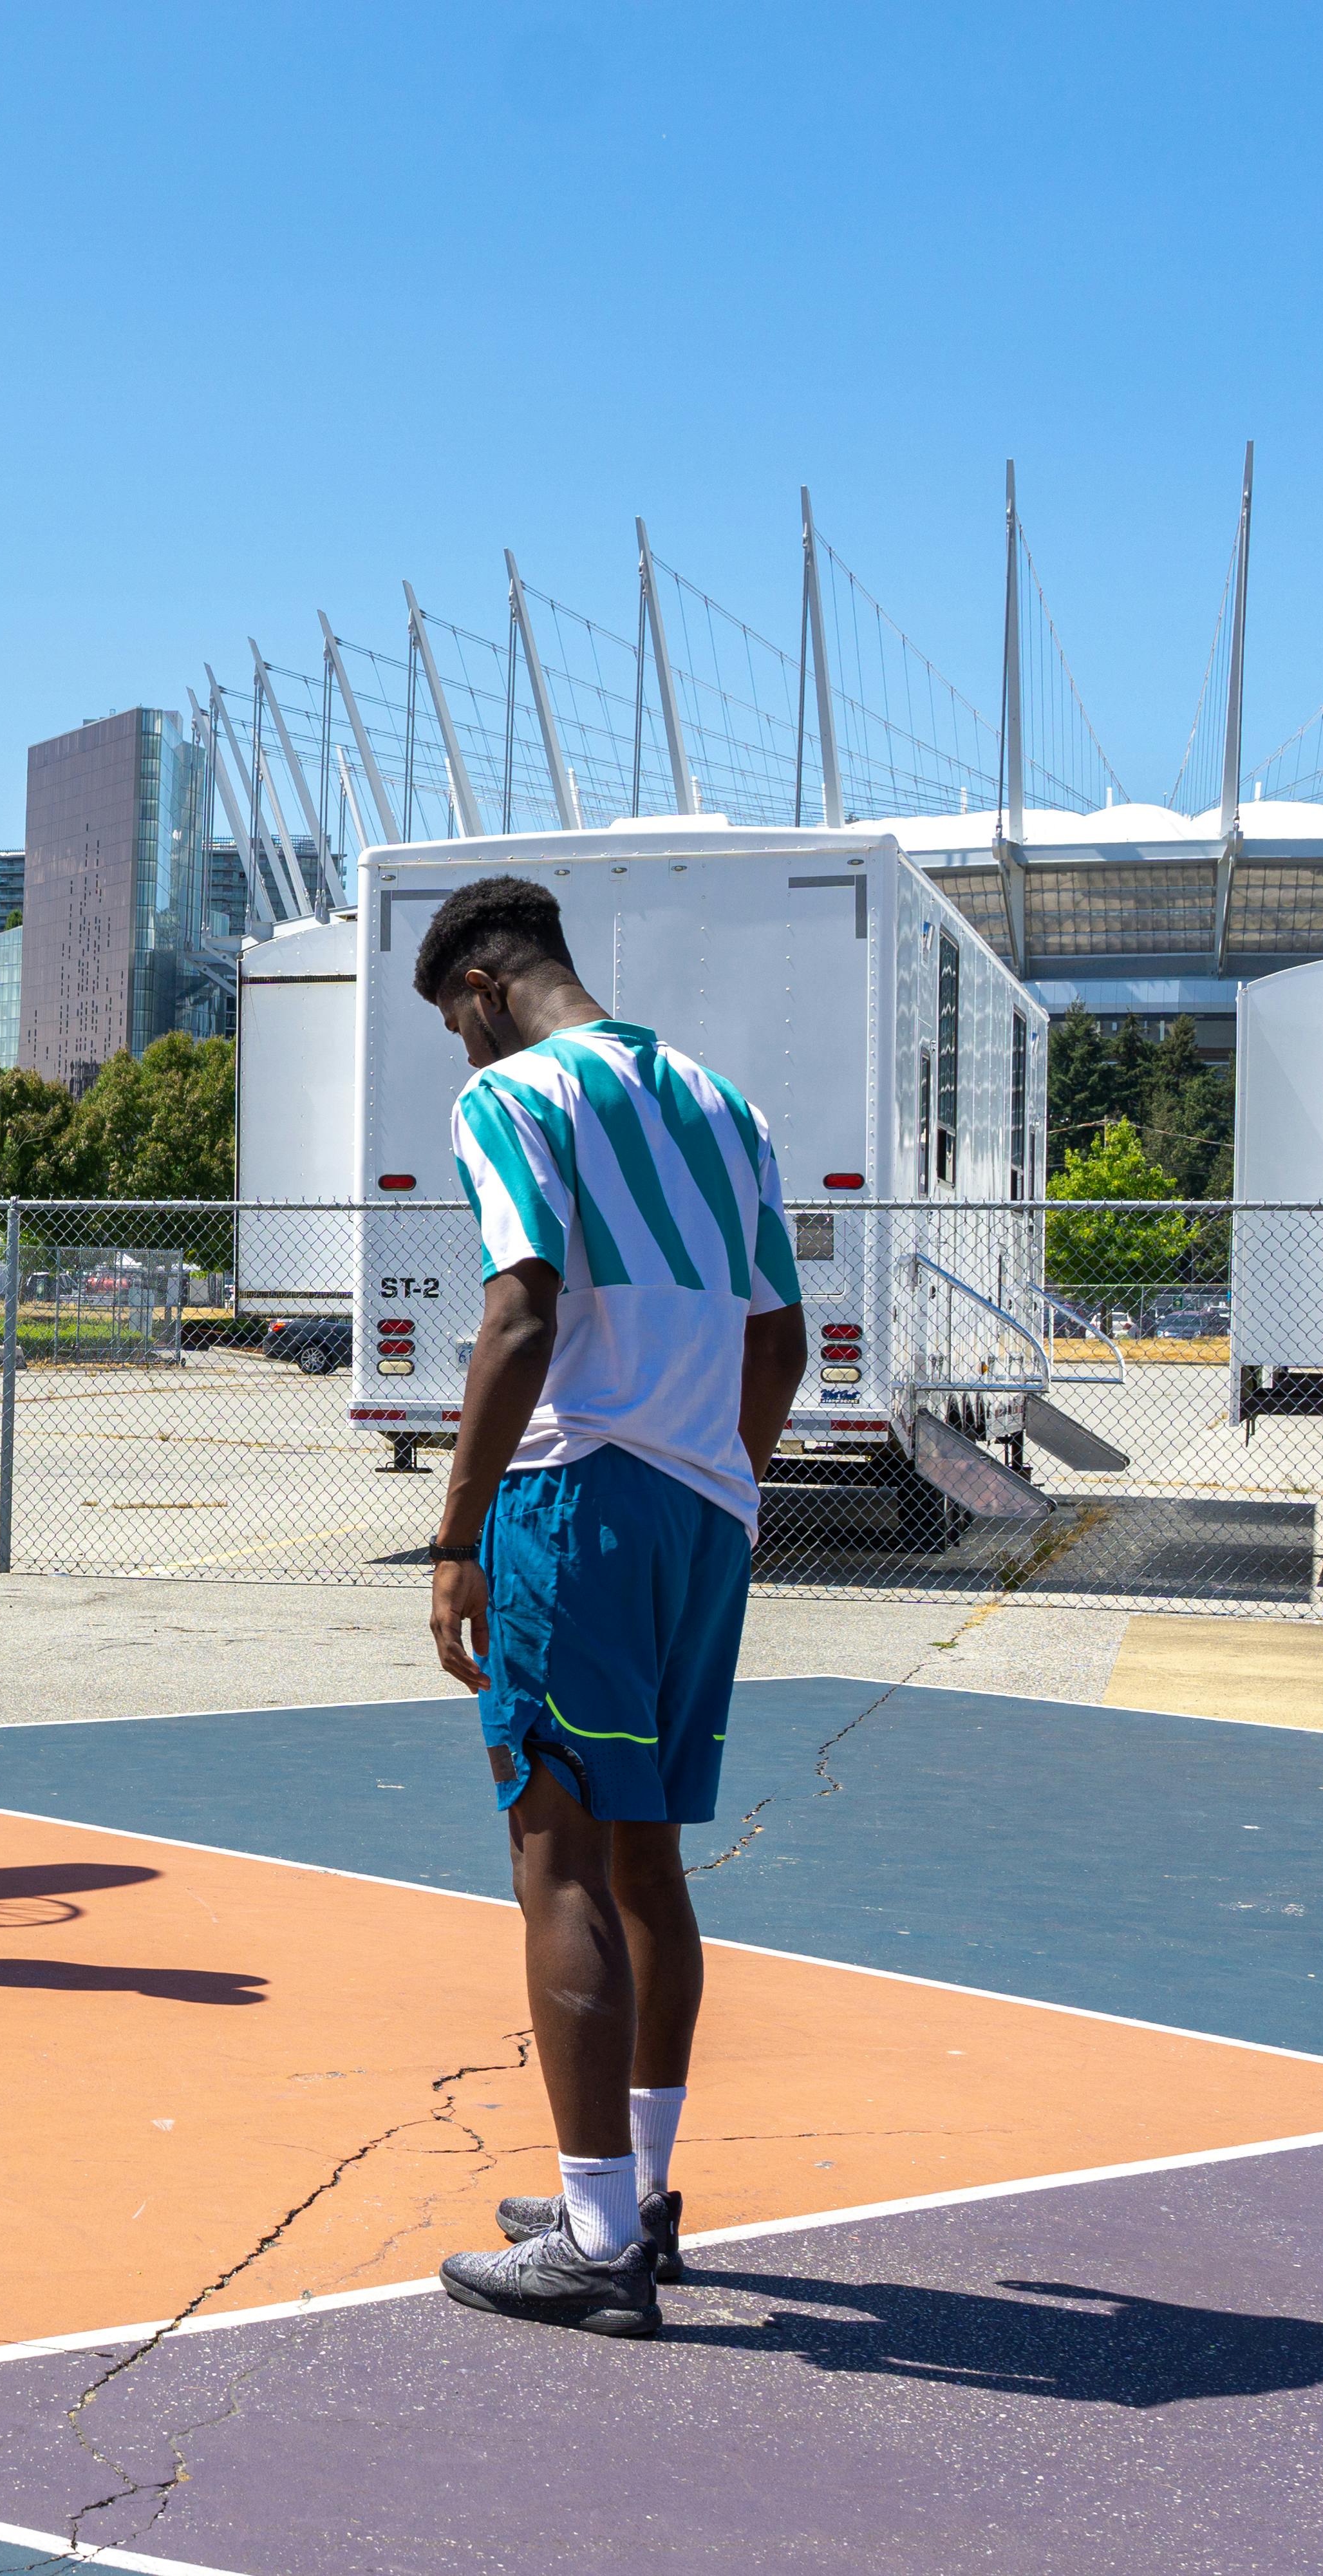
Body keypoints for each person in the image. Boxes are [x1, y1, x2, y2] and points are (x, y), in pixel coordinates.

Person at [412, 878, 806, 2336]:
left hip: (578, 1498)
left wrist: (455, 1534)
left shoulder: (514, 1094)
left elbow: (523, 1307)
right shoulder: (721, 1099)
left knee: (556, 1858)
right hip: (704, 1508)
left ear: (480, 986)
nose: (459, 1052)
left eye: (455, 1024)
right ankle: (635, 2193)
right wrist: (727, 1474)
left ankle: (592, 2244)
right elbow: (783, 1329)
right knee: (648, 1862)